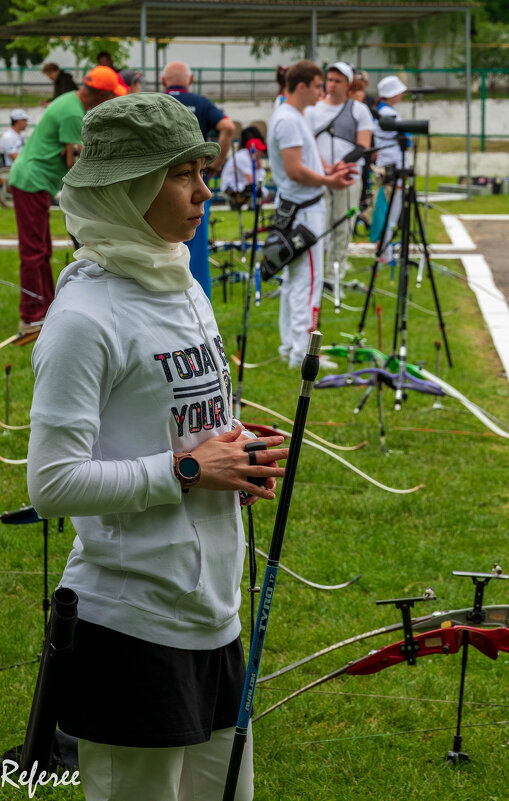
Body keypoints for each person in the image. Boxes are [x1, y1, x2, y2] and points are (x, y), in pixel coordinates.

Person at [26, 91, 288, 801]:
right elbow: (51, 483)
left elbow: (183, 429)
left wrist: (236, 452)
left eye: (205, 169)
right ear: (128, 188)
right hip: (130, 626)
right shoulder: (84, 318)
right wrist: (189, 468)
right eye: (183, 175)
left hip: (216, 614)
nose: (206, 190)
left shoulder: (182, 281)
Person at [10, 66, 124, 334]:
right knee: (33, 251)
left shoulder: (70, 100)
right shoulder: (74, 113)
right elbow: (75, 162)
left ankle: (48, 307)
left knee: (43, 249)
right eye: (111, 96)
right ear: (101, 94)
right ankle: (30, 316)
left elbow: (69, 153)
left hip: (37, 183)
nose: (112, 102)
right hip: (31, 181)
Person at [268, 60, 355, 368]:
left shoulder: (294, 115)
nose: (323, 92)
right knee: (309, 280)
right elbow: (295, 171)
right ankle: (302, 352)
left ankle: (290, 346)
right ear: (301, 86)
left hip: (300, 208)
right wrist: (328, 181)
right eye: (319, 86)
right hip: (305, 211)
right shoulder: (288, 119)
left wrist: (329, 170)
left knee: (295, 280)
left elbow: (305, 164)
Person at [163, 61, 235, 298]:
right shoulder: (201, 103)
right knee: (194, 245)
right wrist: (217, 163)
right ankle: (198, 301)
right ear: (190, 80)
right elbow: (228, 127)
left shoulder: (155, 102)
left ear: (164, 82)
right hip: (194, 184)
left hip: (160, 185)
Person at [306, 61, 374, 285]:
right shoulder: (313, 109)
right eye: (330, 80)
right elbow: (307, 142)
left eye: (338, 81)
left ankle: (335, 277)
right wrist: (324, 167)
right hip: (320, 177)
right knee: (318, 226)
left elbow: (363, 144)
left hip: (348, 177)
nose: (332, 84)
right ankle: (316, 277)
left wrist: (340, 166)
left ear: (348, 84)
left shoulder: (359, 109)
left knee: (343, 226)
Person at [373, 74, 409, 260]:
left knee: (385, 210)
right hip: (393, 169)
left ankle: (384, 250)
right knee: (390, 214)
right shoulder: (389, 114)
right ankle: (385, 253)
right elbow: (407, 139)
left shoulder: (383, 111)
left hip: (388, 167)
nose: (402, 95)